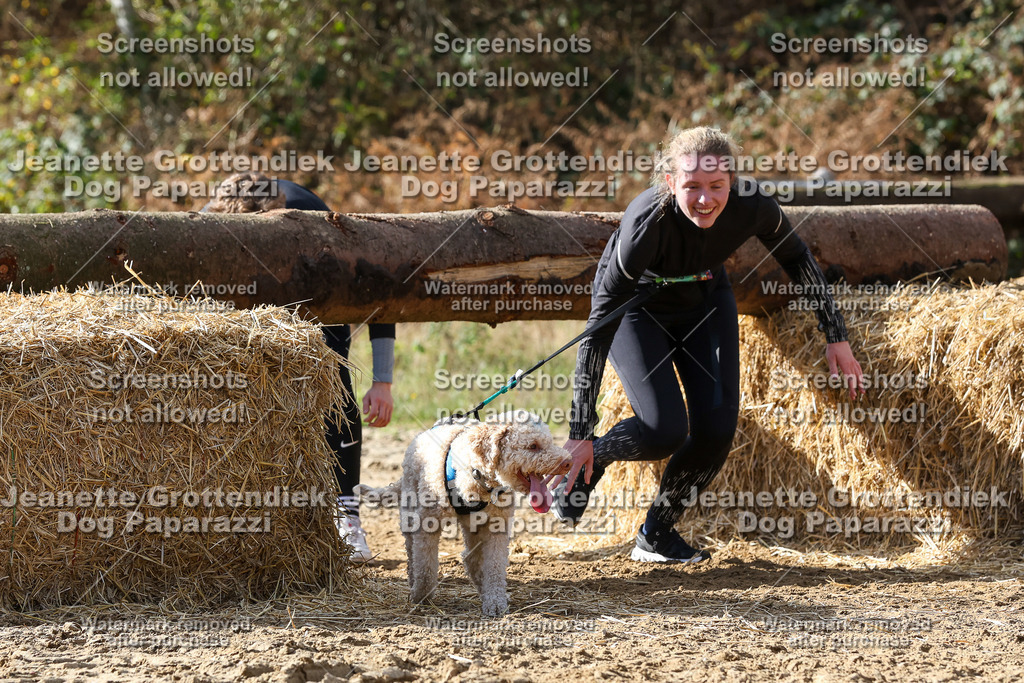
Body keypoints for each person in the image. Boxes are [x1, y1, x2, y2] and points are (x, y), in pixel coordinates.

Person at [553, 127, 865, 563]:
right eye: (692, 186)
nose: (705, 199)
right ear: (670, 182)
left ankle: (657, 533)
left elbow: (796, 257)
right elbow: (597, 330)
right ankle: (599, 458)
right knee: (663, 431)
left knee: (716, 431)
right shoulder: (645, 225)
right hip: (638, 310)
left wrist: (836, 336)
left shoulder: (753, 205)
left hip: (705, 301)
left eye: (717, 186)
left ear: (732, 181)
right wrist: (581, 436)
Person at [201, 172, 395, 562]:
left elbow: (378, 287)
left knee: (334, 382)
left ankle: (347, 516)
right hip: (251, 300)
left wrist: (382, 381)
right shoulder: (210, 222)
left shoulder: (313, 224)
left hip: (316, 290)